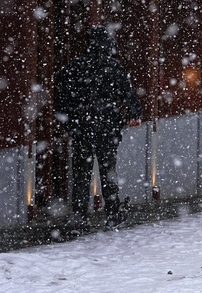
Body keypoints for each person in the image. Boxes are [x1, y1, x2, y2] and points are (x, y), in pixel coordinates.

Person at [55, 26, 142, 229]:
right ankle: (112, 212)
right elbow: (127, 93)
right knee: (108, 170)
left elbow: (63, 98)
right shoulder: (114, 67)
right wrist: (134, 114)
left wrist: (68, 122)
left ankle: (79, 215)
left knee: (81, 174)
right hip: (107, 128)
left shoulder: (75, 67)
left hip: (82, 127)